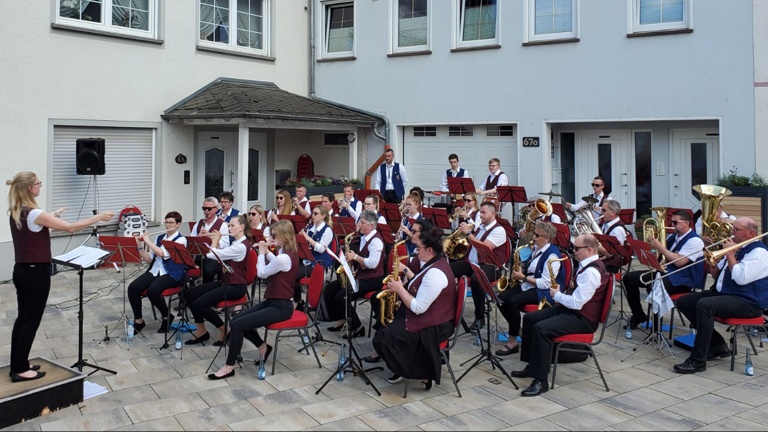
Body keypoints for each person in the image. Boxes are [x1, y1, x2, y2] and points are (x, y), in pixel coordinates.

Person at [6, 171, 114, 382]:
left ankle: (18, 363)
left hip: (21, 270)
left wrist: (52, 216)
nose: (40, 186)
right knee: (30, 321)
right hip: (36, 273)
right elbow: (70, 228)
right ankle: (20, 370)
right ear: (29, 188)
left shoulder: (17, 210)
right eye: (38, 183)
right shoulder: (35, 213)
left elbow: (36, 229)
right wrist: (98, 218)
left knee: (23, 319)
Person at [511, 234, 611, 396]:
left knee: (541, 329)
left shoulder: (591, 272)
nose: (573, 251)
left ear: (589, 250)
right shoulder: (587, 266)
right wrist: (562, 295)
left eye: (576, 248)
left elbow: (577, 303)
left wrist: (557, 295)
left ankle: (541, 380)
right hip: (572, 310)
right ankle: (533, 365)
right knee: (530, 319)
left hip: (583, 319)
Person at [673, 217, 768, 374]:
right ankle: (717, 345)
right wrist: (713, 264)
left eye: (736, 230)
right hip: (728, 294)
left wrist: (730, 254)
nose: (732, 233)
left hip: (749, 301)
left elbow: (740, 278)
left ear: (750, 233)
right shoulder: (737, 247)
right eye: (732, 229)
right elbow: (719, 278)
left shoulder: (759, 253)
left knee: (705, 305)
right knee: (685, 301)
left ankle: (698, 360)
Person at [208, 220, 298, 379]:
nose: (271, 238)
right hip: (273, 301)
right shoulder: (286, 253)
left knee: (237, 325)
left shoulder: (284, 257)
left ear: (284, 235)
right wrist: (266, 251)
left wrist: (261, 254)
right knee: (237, 319)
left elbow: (262, 273)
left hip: (281, 307)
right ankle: (262, 347)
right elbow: (276, 262)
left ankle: (229, 366)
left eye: (274, 235)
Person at [373, 226, 457, 388]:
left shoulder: (435, 273)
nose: (416, 252)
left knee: (383, 338)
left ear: (430, 250)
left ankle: (409, 369)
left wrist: (400, 289)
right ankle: (404, 365)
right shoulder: (434, 263)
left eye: (419, 248)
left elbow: (418, 308)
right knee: (386, 327)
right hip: (431, 317)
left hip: (435, 326)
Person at [623, 210, 705, 330]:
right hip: (667, 274)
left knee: (655, 286)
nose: (672, 225)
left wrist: (660, 247)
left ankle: (656, 328)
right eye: (671, 222)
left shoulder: (695, 241)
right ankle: (638, 315)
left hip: (683, 280)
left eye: (675, 222)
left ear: (687, 223)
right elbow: (662, 256)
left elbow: (679, 262)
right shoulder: (672, 237)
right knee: (629, 278)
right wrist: (649, 251)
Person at [496, 222, 564, 355]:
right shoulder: (537, 248)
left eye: (537, 235)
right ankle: (520, 331)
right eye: (534, 234)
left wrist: (523, 277)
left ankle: (512, 342)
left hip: (543, 291)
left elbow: (546, 284)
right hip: (529, 284)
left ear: (547, 238)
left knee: (513, 302)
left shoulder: (552, 256)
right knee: (501, 299)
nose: (533, 237)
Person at [185, 214, 252, 346]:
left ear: (242, 227)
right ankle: (201, 331)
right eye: (229, 225)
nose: (229, 228)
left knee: (200, 303)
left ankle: (224, 330)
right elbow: (222, 255)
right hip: (227, 282)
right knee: (190, 294)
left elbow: (212, 255)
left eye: (232, 225)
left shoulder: (240, 246)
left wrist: (215, 240)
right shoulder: (236, 243)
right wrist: (214, 240)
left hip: (236, 286)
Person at [323, 210, 385, 337]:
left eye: (362, 222)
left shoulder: (376, 241)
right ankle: (342, 319)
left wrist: (355, 257)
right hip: (362, 275)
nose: (359, 225)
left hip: (373, 279)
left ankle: (357, 326)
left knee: (342, 297)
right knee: (330, 288)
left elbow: (373, 263)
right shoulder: (363, 238)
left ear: (371, 225)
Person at [449, 201, 509, 332]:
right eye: (480, 212)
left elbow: (484, 248)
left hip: (491, 266)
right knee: (448, 270)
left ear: (492, 213)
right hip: (472, 263)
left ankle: (480, 317)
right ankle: (447, 306)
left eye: (483, 212)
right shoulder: (481, 226)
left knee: (477, 279)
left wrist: (468, 234)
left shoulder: (499, 230)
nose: (480, 215)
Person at [127, 211, 188, 334]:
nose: (168, 225)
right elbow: (150, 259)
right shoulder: (160, 238)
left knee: (153, 290)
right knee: (133, 288)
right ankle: (139, 320)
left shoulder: (181, 239)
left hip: (172, 273)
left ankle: (166, 316)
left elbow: (162, 254)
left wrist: (148, 241)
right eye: (166, 222)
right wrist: (139, 246)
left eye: (171, 223)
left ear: (178, 224)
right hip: (156, 270)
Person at [294, 205, 334, 311]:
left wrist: (306, 237)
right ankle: (298, 301)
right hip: (308, 259)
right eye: (312, 213)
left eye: (316, 214)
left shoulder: (327, 230)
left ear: (323, 216)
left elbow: (321, 249)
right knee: (289, 270)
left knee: (294, 275)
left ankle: (297, 302)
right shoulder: (310, 228)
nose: (313, 216)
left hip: (319, 263)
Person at [191, 197, 231, 283]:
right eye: (204, 208)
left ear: (216, 209)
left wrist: (212, 238)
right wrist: (199, 237)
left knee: (208, 271)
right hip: (199, 256)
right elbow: (191, 241)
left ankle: (206, 289)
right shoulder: (199, 223)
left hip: (214, 257)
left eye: (209, 209)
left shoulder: (222, 225)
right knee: (182, 267)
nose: (206, 211)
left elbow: (226, 244)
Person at [598, 199, 629, 274]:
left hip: (610, 264)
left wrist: (593, 244)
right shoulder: (606, 224)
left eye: (604, 210)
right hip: (605, 260)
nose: (601, 212)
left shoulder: (617, 230)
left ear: (613, 212)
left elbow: (611, 253)